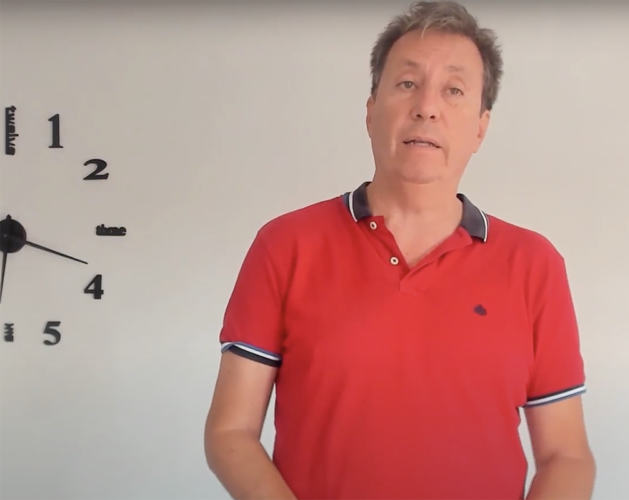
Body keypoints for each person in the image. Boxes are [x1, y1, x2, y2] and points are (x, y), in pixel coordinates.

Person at [203, 2, 596, 499]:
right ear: (371, 111)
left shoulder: (534, 264)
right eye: (407, 83)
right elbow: (231, 432)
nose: (427, 107)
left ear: (481, 126)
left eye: (454, 90)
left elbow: (566, 456)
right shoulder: (285, 245)